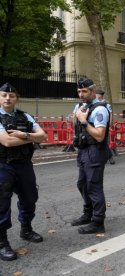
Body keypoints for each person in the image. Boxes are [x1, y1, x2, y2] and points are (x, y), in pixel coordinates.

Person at [0, 83, 47, 261]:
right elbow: (7, 142)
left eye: (11, 96)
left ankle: (26, 229)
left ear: (16, 98)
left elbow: (43, 135)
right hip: (3, 165)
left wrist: (24, 135)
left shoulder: (25, 116)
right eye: (4, 95)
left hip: (24, 165)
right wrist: (30, 138)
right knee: (2, 204)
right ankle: (2, 242)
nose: (7, 98)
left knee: (30, 198)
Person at [71, 77, 110, 234]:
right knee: (82, 184)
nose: (81, 94)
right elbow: (74, 124)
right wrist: (77, 116)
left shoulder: (100, 110)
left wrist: (84, 121)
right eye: (79, 91)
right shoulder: (83, 107)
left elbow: (100, 135)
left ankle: (98, 221)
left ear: (93, 91)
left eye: (84, 91)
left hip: (95, 150)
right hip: (83, 150)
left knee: (93, 186)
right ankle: (88, 213)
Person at [95, 88, 115, 165]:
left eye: (96, 94)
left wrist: (110, 124)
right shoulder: (94, 103)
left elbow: (110, 114)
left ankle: (109, 156)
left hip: (104, 125)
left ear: (99, 96)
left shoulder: (106, 104)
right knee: (98, 141)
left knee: (103, 141)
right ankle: (102, 157)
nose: (95, 96)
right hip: (96, 124)